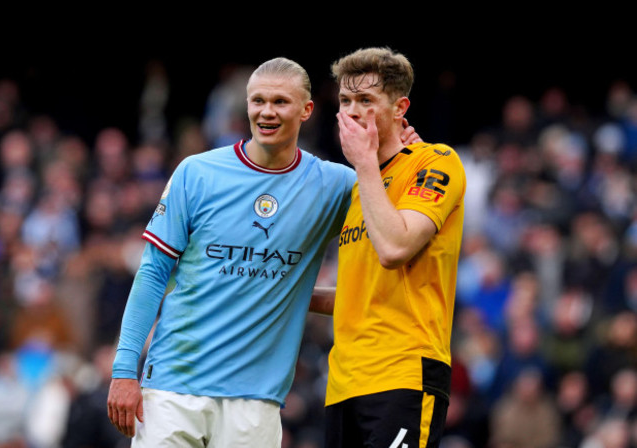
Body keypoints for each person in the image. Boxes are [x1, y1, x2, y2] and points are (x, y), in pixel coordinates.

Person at [107, 57, 419, 447]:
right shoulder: (197, 173)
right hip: (174, 385)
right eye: (257, 101)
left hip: (256, 402)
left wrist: (405, 155)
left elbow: (389, 214)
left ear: (307, 110)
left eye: (279, 102)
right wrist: (124, 370)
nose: (266, 112)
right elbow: (153, 273)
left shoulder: (335, 186)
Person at [313, 47, 467, 448]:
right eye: (345, 101)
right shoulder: (355, 191)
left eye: (366, 101)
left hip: (405, 373)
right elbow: (359, 292)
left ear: (401, 108)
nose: (352, 112)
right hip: (344, 383)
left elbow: (395, 248)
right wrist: (291, 293)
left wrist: (365, 162)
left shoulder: (436, 161)